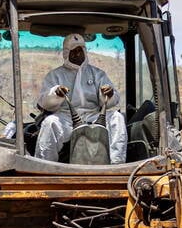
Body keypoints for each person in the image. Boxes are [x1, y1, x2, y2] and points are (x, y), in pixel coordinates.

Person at [34, 34, 127, 164]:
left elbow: (113, 100)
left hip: (93, 116)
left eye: (80, 50)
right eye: (74, 51)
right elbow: (44, 102)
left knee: (117, 118)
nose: (77, 54)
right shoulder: (55, 75)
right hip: (66, 118)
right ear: (67, 53)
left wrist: (108, 94)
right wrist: (56, 94)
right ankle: (45, 167)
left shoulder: (98, 74)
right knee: (50, 122)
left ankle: (117, 165)